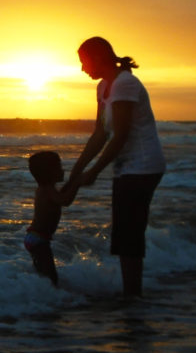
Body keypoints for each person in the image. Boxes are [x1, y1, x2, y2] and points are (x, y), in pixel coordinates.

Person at [69, 36, 165, 297]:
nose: (82, 69)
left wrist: (95, 172)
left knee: (129, 234)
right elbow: (100, 134)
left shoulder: (125, 84)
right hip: (126, 167)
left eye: (84, 62)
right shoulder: (103, 87)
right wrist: (77, 172)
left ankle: (133, 298)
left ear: (99, 58)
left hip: (144, 166)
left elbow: (120, 135)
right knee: (124, 233)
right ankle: (131, 294)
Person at [25, 150, 78, 286]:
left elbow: (62, 194)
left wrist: (72, 181)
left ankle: (41, 293)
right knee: (50, 277)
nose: (62, 170)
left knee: (44, 274)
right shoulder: (48, 190)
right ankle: (50, 298)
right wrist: (77, 184)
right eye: (59, 168)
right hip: (39, 239)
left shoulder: (45, 189)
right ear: (49, 173)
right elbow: (65, 200)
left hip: (35, 237)